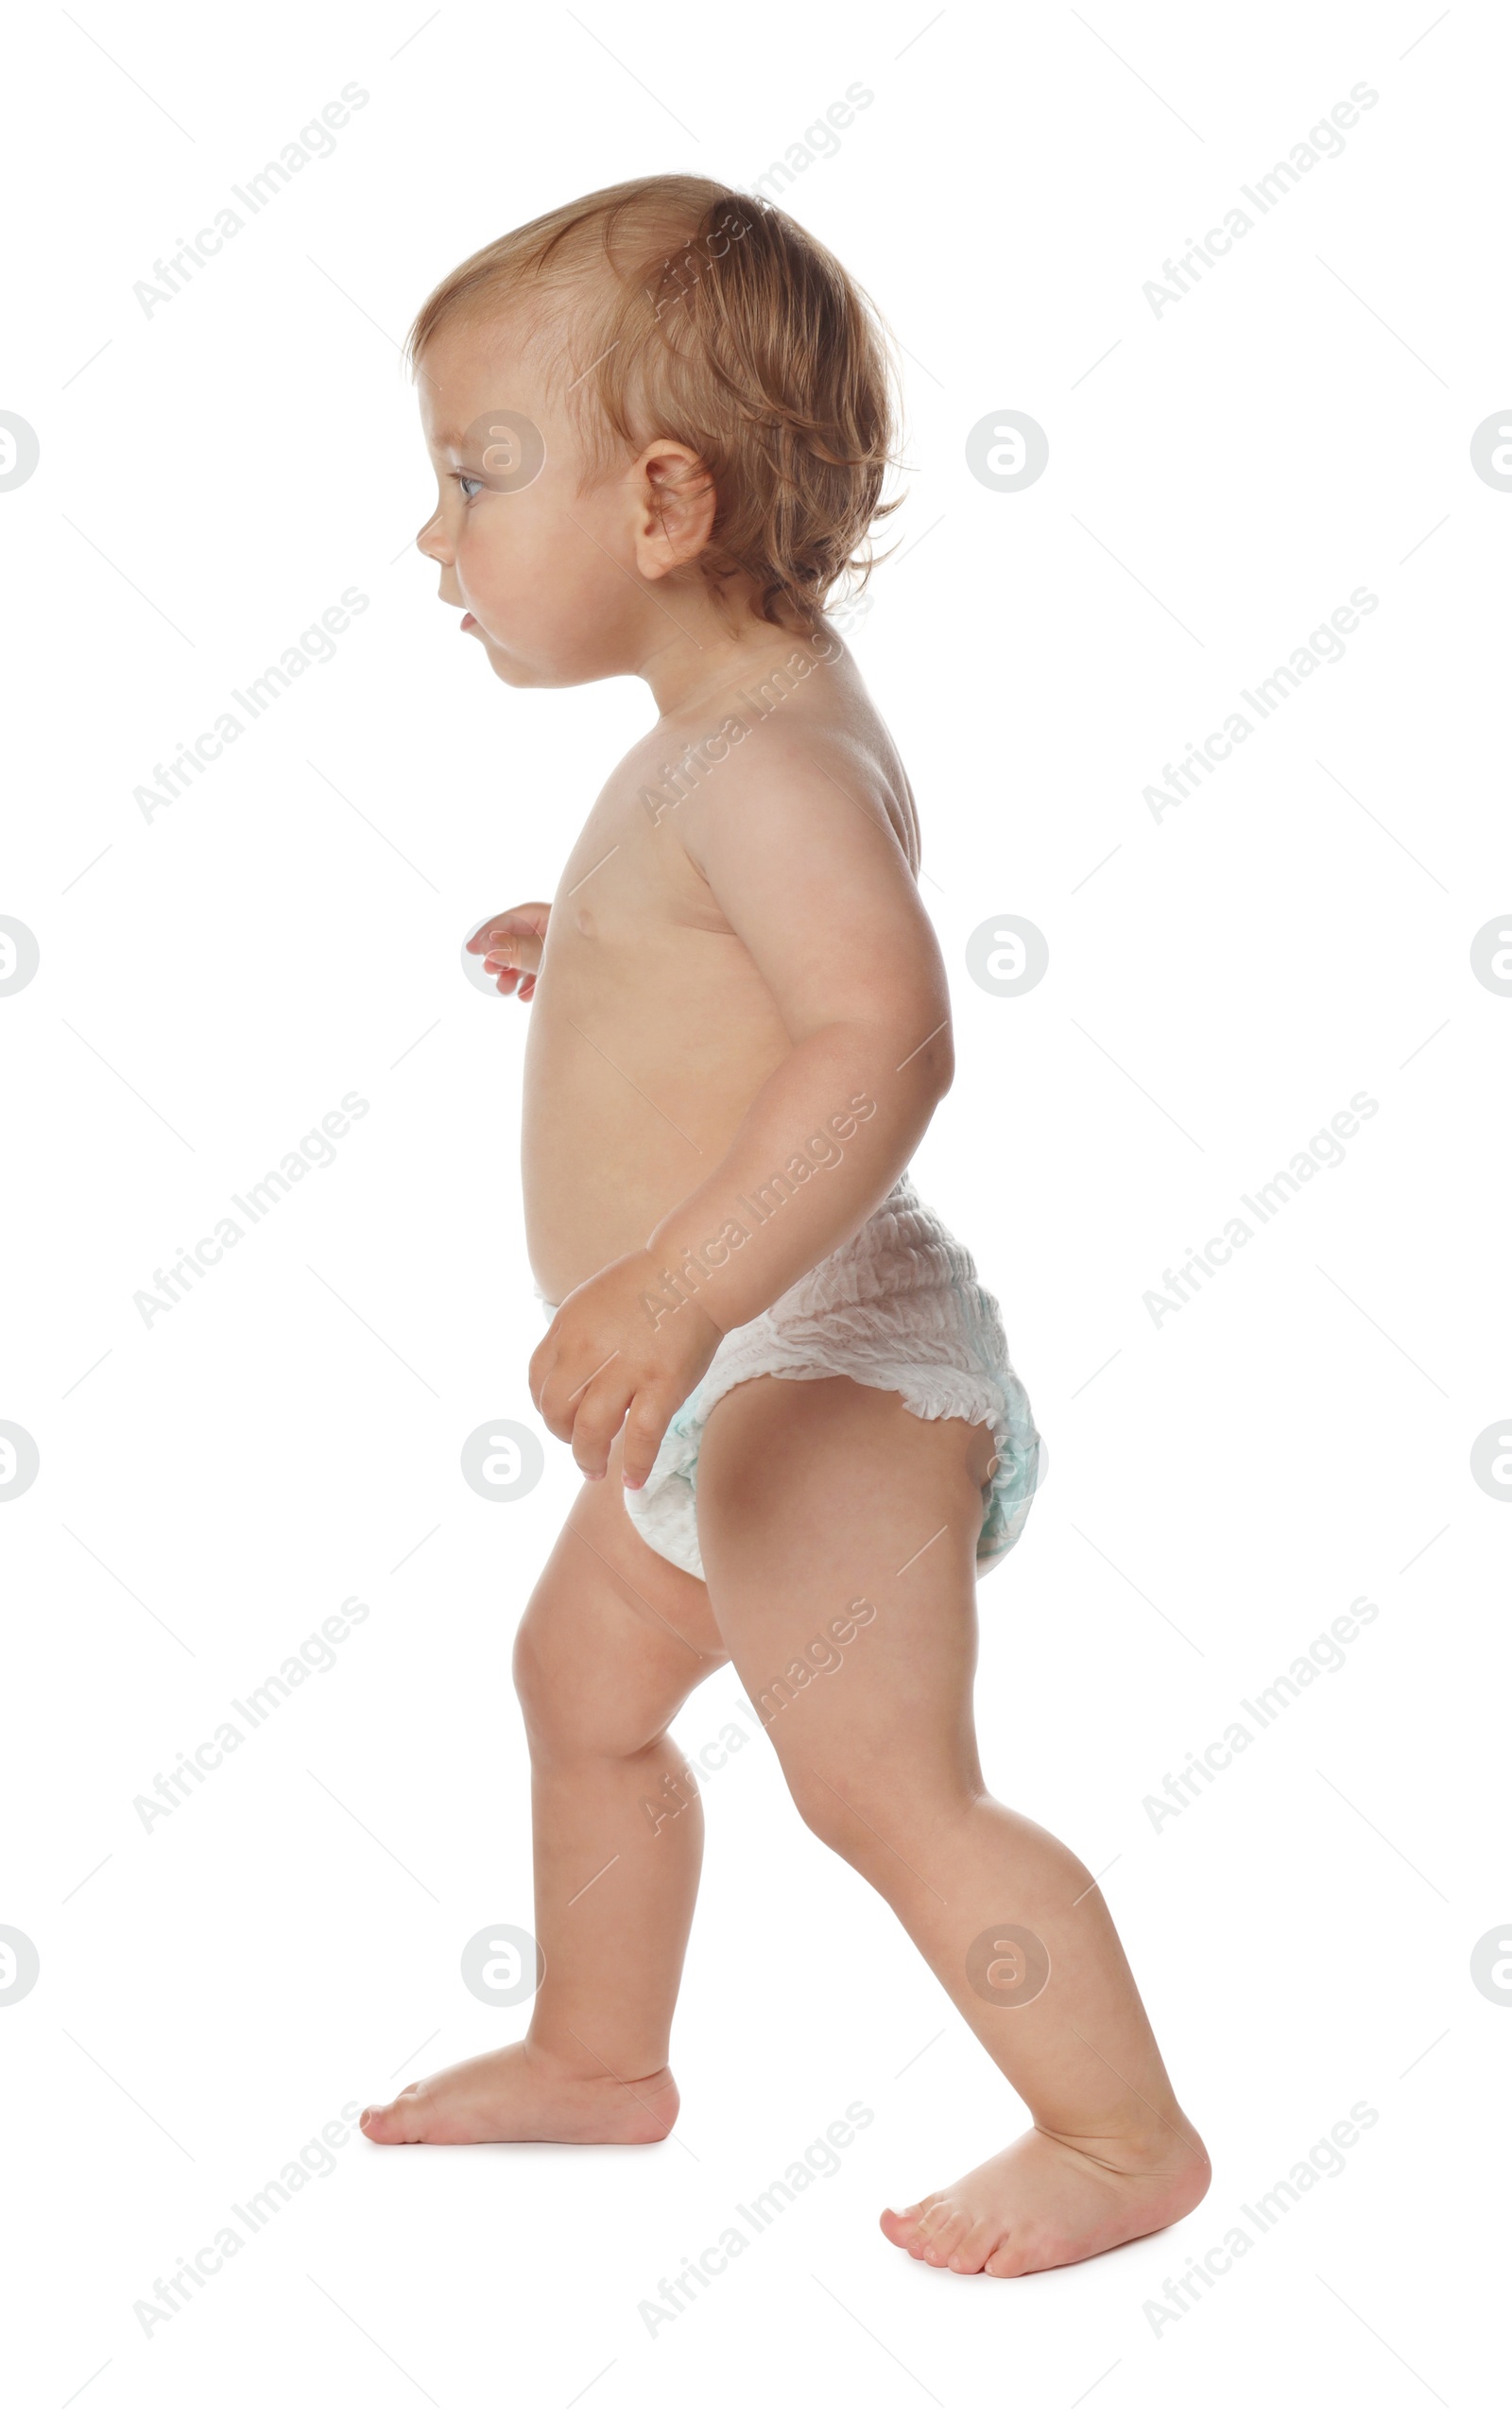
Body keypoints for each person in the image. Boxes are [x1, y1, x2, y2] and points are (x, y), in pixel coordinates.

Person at [359, 176, 1210, 2278]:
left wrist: (675, 1281)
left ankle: (1116, 2132)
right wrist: (613, 950)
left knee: (878, 1786)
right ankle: (596, 2047)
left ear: (659, 500)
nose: (431, 536)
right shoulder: (732, 733)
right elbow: (771, 969)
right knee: (582, 1683)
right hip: (721, 1384)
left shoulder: (753, 763)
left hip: (816, 1359)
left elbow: (884, 1033)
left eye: (474, 476)